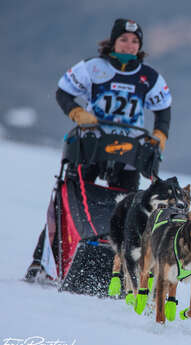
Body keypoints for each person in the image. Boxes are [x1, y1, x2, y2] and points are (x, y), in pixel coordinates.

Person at [24, 18, 172, 281]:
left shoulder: (149, 76)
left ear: (140, 46)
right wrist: (76, 112)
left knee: (127, 208)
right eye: (123, 40)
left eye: (134, 41)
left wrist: (160, 134)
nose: (128, 45)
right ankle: (43, 262)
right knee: (69, 200)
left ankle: (120, 270)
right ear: (113, 41)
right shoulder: (93, 68)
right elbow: (63, 93)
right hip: (91, 145)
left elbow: (163, 110)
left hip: (129, 152)